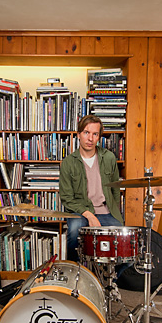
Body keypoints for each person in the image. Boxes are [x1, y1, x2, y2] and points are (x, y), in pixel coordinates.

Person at [59, 114, 124, 266]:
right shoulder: (68, 163)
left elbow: (115, 189)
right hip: (80, 211)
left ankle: (107, 279)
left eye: (95, 134)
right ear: (78, 135)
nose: (90, 138)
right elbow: (67, 199)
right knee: (75, 230)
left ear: (99, 137)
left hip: (106, 211)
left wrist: (115, 212)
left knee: (123, 241)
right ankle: (74, 271)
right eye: (86, 133)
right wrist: (89, 215)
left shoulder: (109, 158)